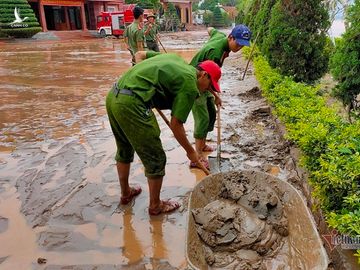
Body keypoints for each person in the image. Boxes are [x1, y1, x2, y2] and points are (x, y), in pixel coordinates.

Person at [106, 53, 221, 215]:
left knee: (124, 147)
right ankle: (155, 205)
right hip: (131, 103)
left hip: (114, 95)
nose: (207, 90)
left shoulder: (179, 62)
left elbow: (140, 56)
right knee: (156, 157)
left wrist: (143, 85)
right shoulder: (190, 85)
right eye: (209, 86)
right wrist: (191, 152)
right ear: (203, 75)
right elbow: (176, 125)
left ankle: (126, 194)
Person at [190, 24, 252, 169]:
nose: (239, 48)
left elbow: (210, 29)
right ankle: (196, 157)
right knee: (202, 118)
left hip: (205, 82)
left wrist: (209, 30)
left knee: (211, 113)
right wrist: (216, 95)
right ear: (230, 37)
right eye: (238, 43)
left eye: (243, 46)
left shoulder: (219, 35)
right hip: (196, 84)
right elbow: (208, 79)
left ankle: (203, 144)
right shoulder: (216, 55)